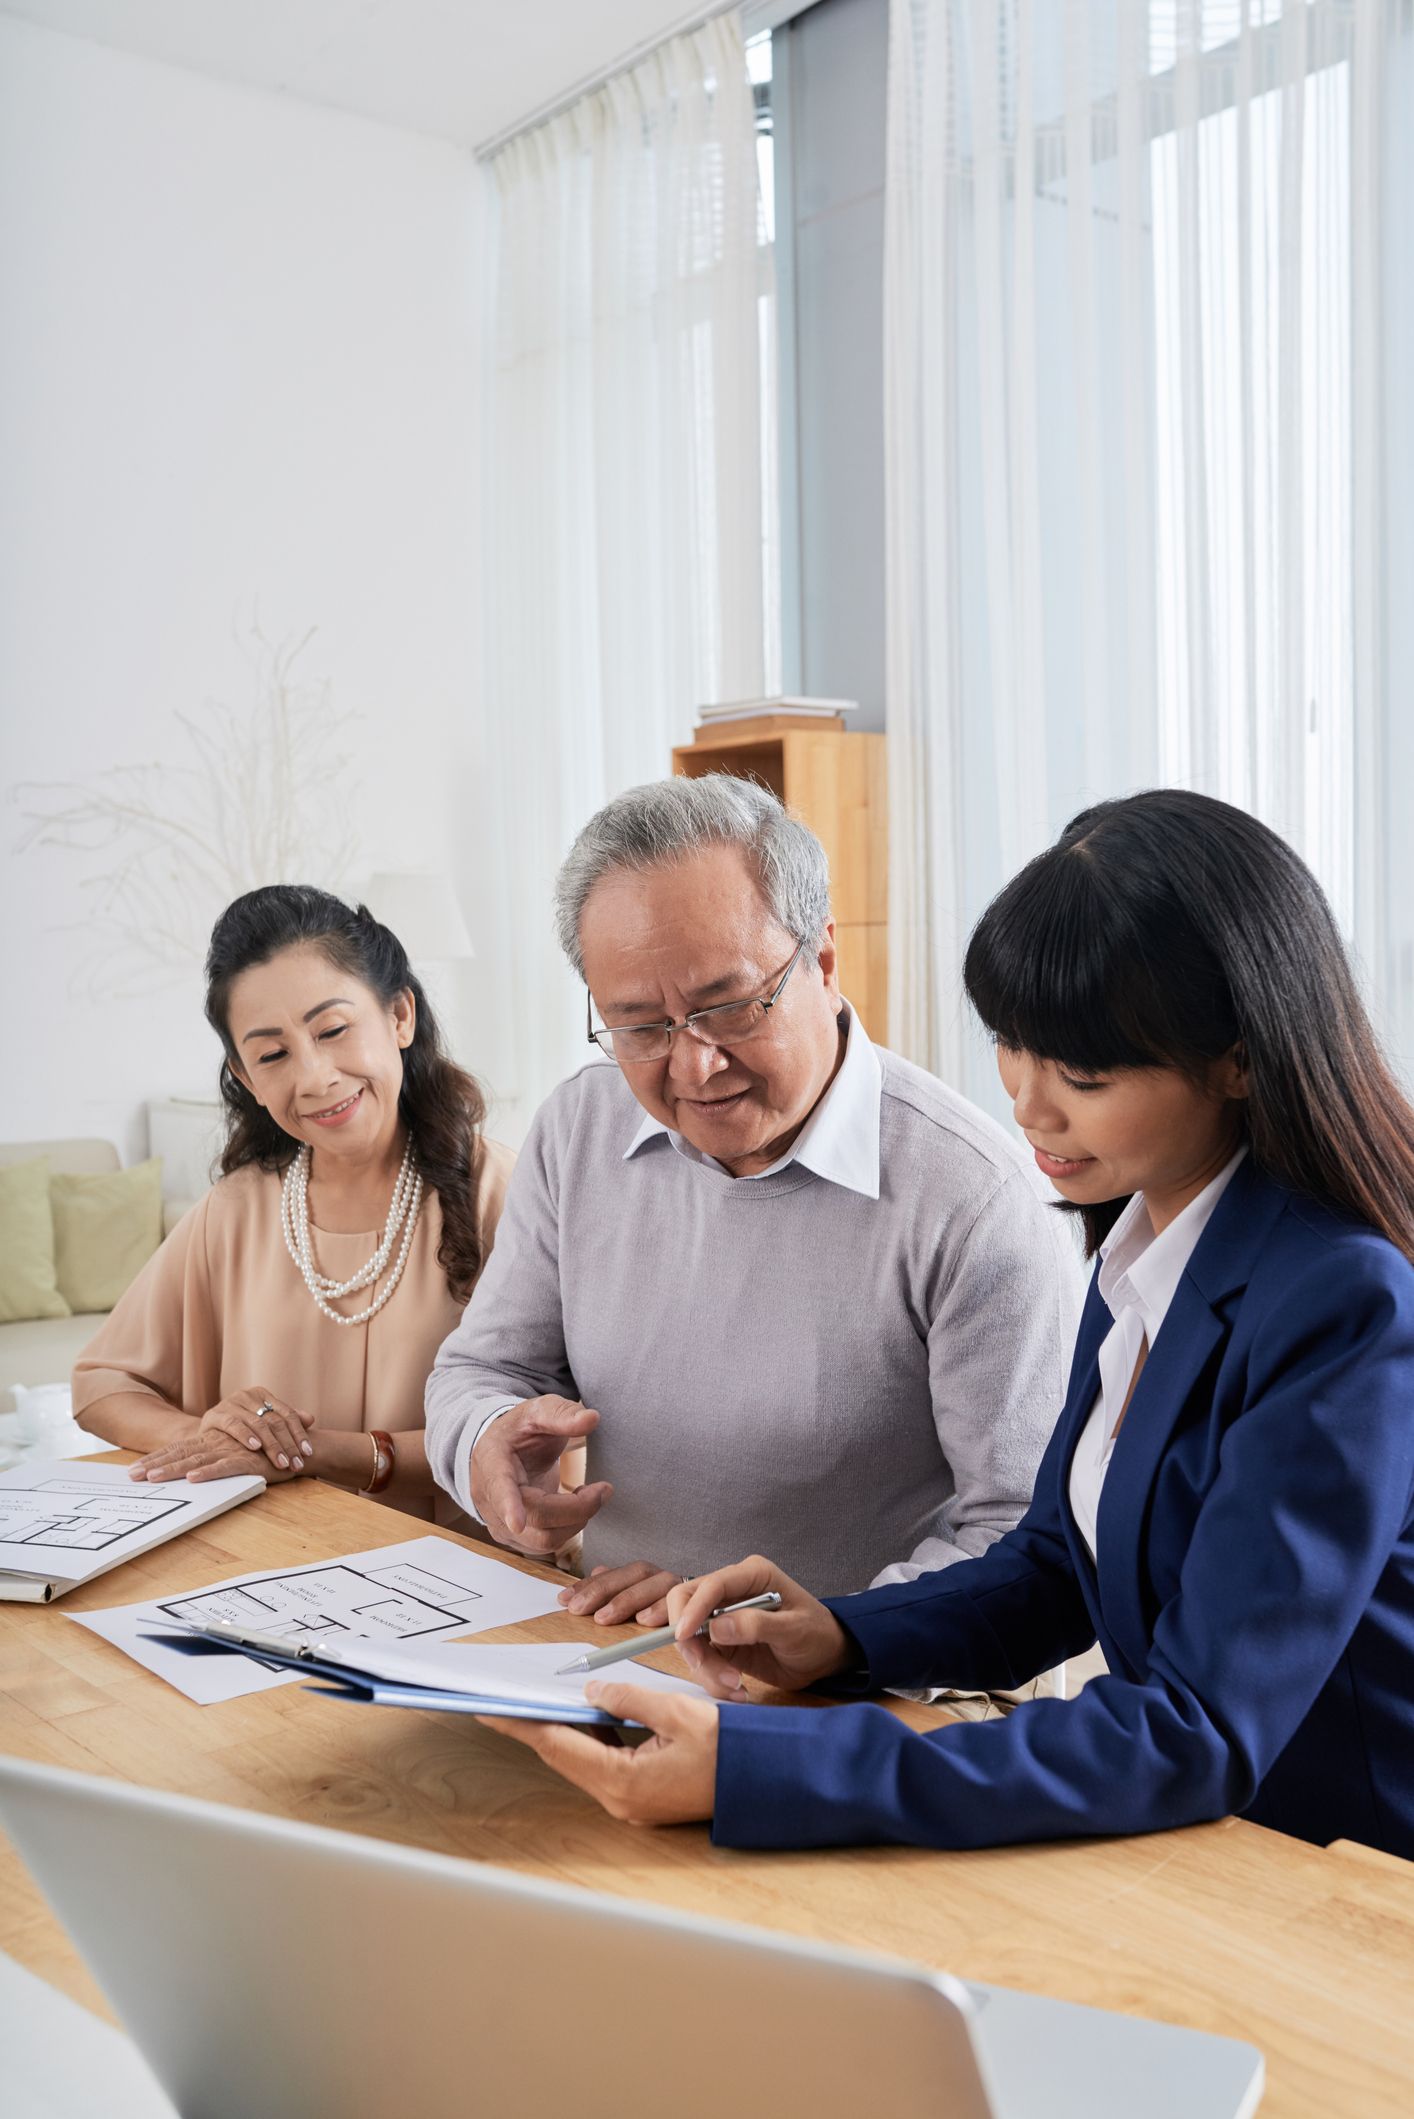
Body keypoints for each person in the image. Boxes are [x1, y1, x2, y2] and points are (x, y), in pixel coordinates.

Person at [481, 791, 1414, 1862]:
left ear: (1238, 1060)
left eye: (1084, 1074)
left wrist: (757, 1764)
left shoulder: (1342, 1299)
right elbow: (1062, 1563)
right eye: (1014, 1046)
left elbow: (1194, 1727)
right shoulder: (1144, 1238)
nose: (1028, 1103)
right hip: (1211, 1850)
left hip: (1345, 1886)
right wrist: (836, 1632)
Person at [426, 775, 1080, 1650]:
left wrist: (820, 1638)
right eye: (642, 1027)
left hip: (870, 1714)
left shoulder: (972, 1200)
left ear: (823, 960)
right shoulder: (580, 1128)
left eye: (729, 1007)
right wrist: (486, 1446)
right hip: (612, 1662)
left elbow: (1022, 1547)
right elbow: (478, 1372)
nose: (694, 1066)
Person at [74, 885, 513, 1517]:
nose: (313, 1077)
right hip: (267, 1564)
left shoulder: (505, 1196)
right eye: (273, 1054)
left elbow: (528, 1437)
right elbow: (101, 1384)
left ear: (399, 1018)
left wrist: (318, 1452)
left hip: (453, 1581)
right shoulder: (239, 1208)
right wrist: (212, 1438)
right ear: (248, 1079)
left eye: (332, 1029)